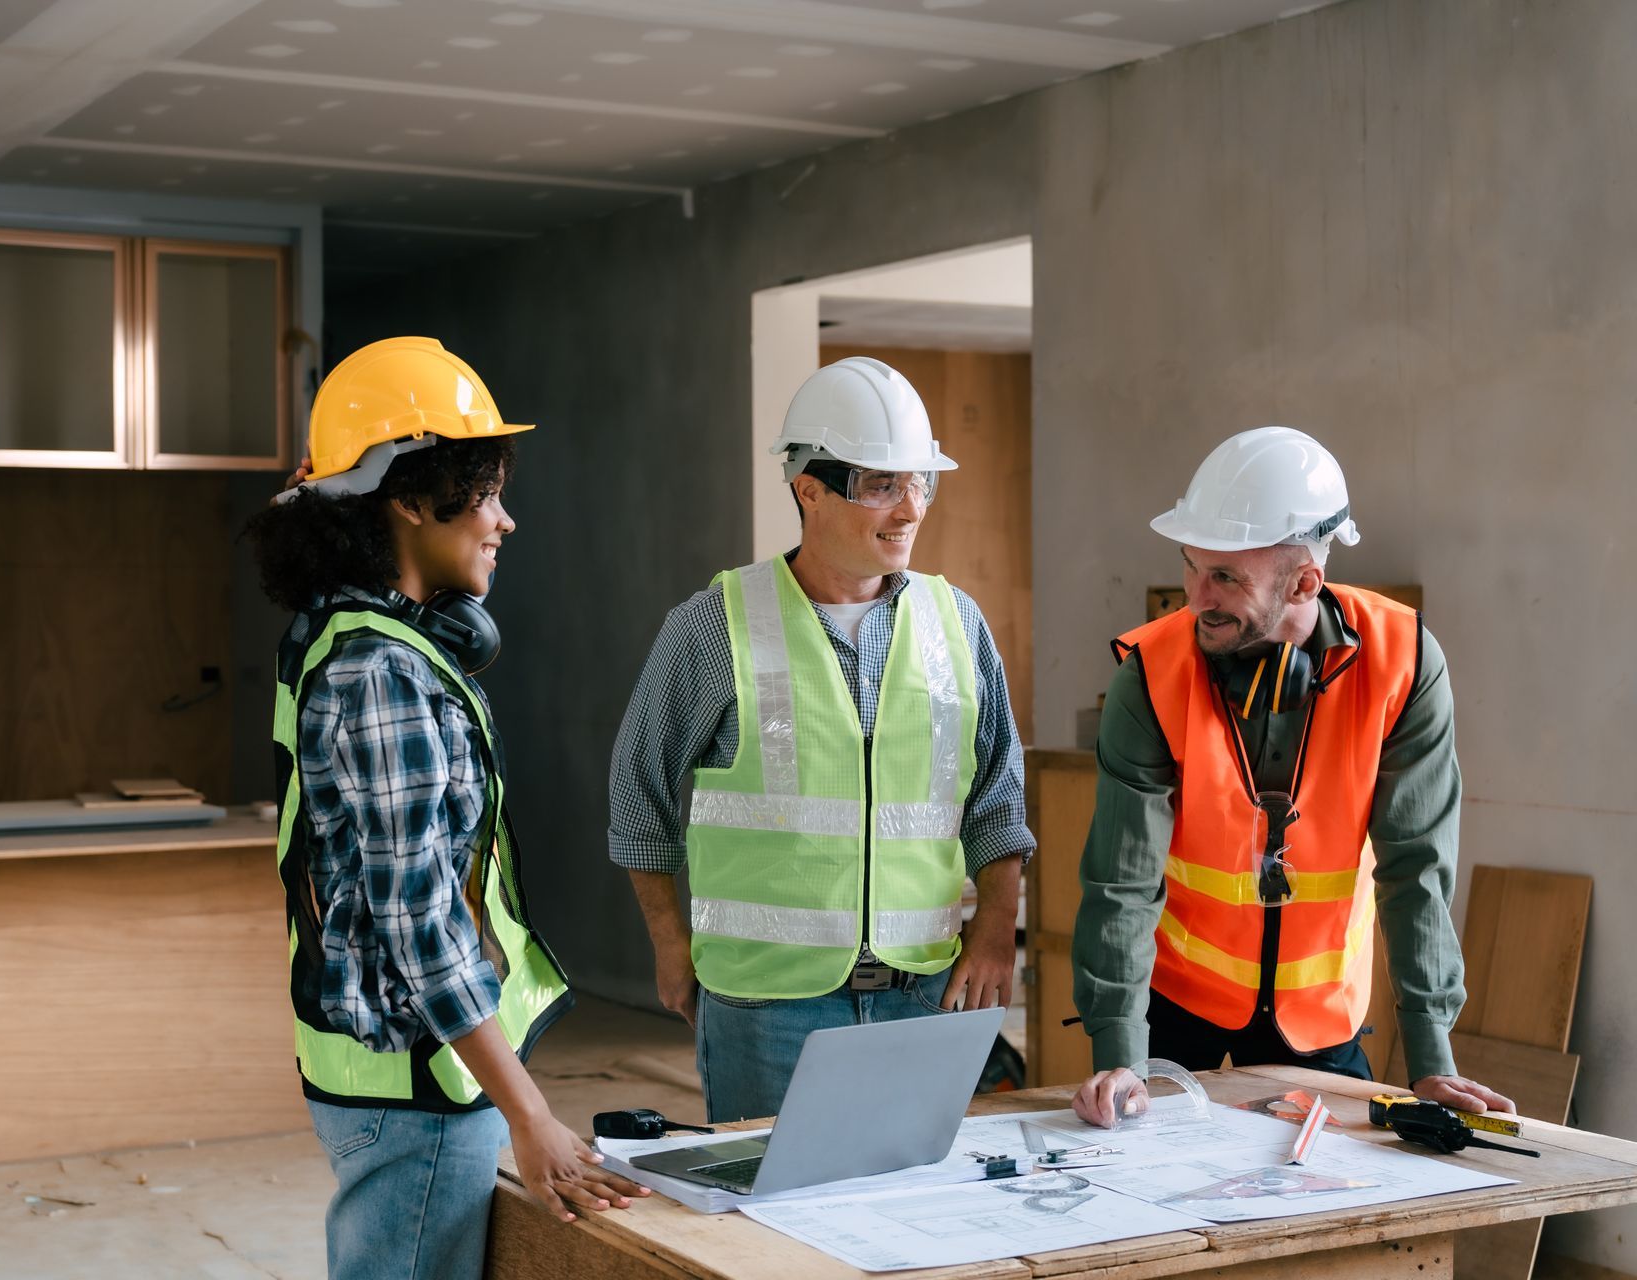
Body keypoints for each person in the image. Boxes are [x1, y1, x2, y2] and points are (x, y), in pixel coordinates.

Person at [245, 336, 644, 1279]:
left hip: (386, 1074)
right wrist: (529, 1113)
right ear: (414, 498)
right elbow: (421, 921)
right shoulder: (381, 673)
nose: (505, 521)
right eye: (487, 493)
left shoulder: (353, 633)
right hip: (414, 1087)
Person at [611, 356, 1036, 1123]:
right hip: (769, 1010)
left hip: (923, 995)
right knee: (778, 1229)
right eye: (881, 484)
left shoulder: (956, 622)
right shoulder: (714, 626)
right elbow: (636, 794)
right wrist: (670, 946)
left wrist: (996, 932)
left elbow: (996, 795)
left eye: (922, 482)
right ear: (809, 488)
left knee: (912, 1226)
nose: (910, 509)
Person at [1069, 426, 1513, 1128]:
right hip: (1175, 1011)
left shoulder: (1403, 666)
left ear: (1307, 580)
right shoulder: (1150, 676)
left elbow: (1417, 869)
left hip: (1320, 1024)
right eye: (1192, 566)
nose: (1196, 597)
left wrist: (1432, 1061)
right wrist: (1119, 1051)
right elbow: (1121, 883)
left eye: (1226, 578)